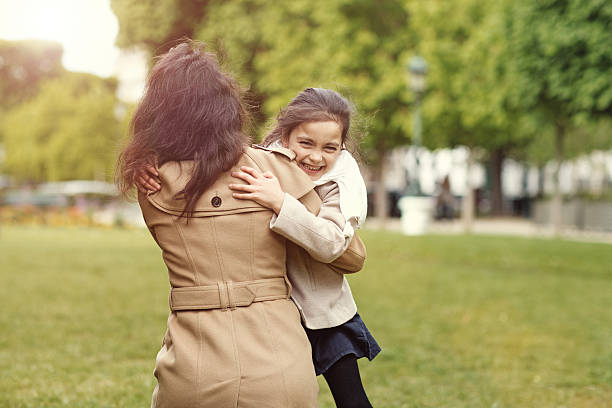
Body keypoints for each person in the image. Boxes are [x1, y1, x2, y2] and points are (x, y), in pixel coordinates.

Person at [117, 41, 326, 408]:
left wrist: (145, 157)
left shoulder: (151, 183)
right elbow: (349, 255)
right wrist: (286, 203)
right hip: (279, 363)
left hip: (191, 369)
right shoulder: (275, 170)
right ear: (227, 108)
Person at [228, 88, 381, 408]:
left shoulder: (338, 183)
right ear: (285, 136)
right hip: (273, 315)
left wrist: (281, 203)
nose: (316, 157)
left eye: (330, 148)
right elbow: (212, 163)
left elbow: (330, 243)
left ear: (342, 147)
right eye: (306, 143)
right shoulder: (263, 166)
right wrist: (152, 167)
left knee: (353, 401)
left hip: (324, 314)